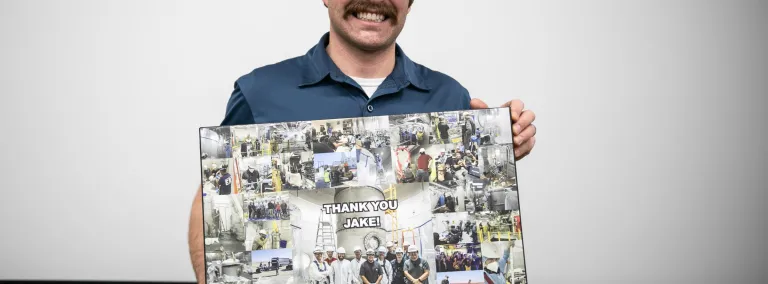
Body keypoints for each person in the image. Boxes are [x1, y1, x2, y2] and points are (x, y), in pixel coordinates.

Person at [189, 0, 538, 280]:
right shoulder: (259, 92)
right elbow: (213, 198)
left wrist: (500, 146)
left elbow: (468, 200)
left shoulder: (449, 95)